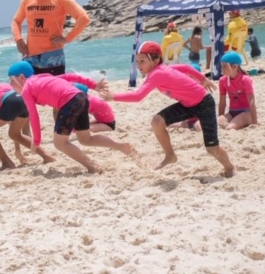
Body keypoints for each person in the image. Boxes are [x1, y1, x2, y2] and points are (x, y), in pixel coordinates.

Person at [99, 41, 235, 177]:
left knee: (212, 148)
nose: (138, 65)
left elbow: (138, 96)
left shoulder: (157, 74)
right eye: (137, 61)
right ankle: (170, 155)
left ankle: (230, 168)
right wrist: (202, 79)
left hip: (204, 104)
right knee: (157, 121)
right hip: (187, 105)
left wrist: (113, 96)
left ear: (155, 60)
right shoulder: (160, 69)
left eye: (142, 61)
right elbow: (186, 68)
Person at [7, 61, 135, 174]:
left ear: (22, 77)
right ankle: (121, 146)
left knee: (60, 143)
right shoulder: (44, 77)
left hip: (70, 102)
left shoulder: (26, 89)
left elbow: (34, 116)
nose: (10, 84)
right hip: (81, 97)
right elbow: (71, 76)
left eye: (11, 80)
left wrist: (36, 141)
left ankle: (92, 167)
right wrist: (93, 85)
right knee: (85, 139)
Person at [11, 0, 91, 75]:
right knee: (30, 91)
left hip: (52, 57)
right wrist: (18, 40)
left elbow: (83, 18)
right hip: (30, 58)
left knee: (55, 91)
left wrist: (67, 39)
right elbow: (16, 21)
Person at [217, 52, 257, 130]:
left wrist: (254, 122)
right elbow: (222, 102)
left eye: (224, 66)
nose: (222, 69)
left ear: (235, 66)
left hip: (246, 113)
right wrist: (221, 118)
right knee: (213, 124)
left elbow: (251, 101)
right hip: (232, 112)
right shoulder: (222, 80)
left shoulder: (245, 79)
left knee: (229, 128)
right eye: (221, 66)